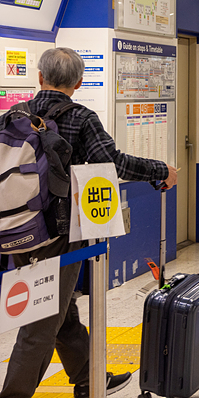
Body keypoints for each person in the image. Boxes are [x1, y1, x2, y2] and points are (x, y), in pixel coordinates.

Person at [1, 48, 178, 398]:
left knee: (60, 307)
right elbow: (113, 163)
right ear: (79, 83)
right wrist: (162, 171)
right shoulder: (81, 117)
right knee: (41, 322)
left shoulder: (14, 114)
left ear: (39, 78)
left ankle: (87, 376)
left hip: (18, 227)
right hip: (58, 234)